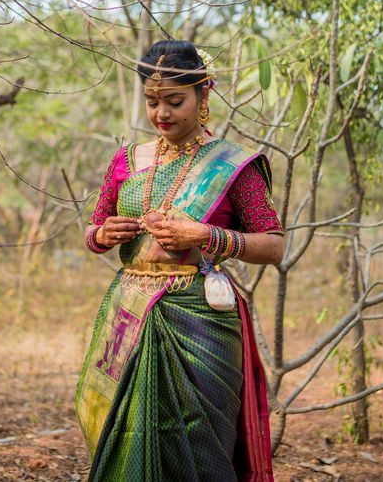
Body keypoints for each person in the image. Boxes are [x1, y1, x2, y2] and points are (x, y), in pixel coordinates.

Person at [76, 40, 284, 481]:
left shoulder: (234, 165)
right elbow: (93, 233)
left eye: (175, 101)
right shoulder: (127, 161)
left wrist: (206, 236)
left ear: (203, 95)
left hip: (200, 321)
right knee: (126, 432)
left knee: (200, 444)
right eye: (152, 102)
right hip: (128, 315)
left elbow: (273, 245)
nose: (161, 114)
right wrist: (104, 233)